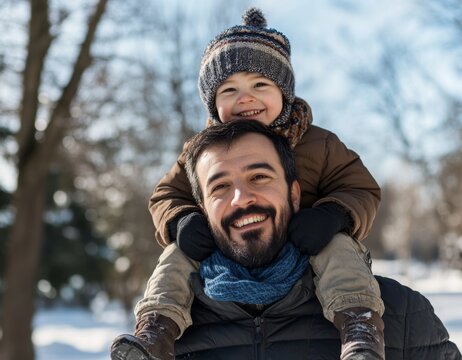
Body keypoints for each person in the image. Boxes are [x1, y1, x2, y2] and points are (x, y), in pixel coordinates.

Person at [114, 7, 385, 360]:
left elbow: (360, 187)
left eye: (260, 84)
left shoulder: (319, 144)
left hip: (307, 246)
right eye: (229, 89)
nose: (245, 98)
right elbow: (166, 194)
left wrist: (333, 216)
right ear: (212, 104)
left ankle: (359, 328)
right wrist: (181, 220)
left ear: (284, 92)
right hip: (231, 247)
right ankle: (156, 331)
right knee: (175, 258)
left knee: (339, 249)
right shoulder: (202, 154)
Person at [111, 120, 462, 360]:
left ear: (295, 195)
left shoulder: (401, 317)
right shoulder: (164, 339)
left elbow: (360, 189)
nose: (241, 199)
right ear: (200, 210)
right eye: (220, 187)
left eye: (259, 177)